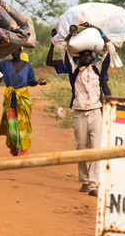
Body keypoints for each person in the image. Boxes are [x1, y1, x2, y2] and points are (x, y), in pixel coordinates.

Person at [47, 40, 112, 197]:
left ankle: (93, 185)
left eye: (89, 55)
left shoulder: (98, 70)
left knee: (96, 149)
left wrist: (102, 36)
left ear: (92, 57)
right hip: (79, 113)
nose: (86, 58)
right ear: (79, 57)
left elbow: (110, 53)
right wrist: (69, 36)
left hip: (96, 112)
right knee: (82, 148)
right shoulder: (74, 71)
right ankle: (84, 179)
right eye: (83, 55)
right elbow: (63, 50)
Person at [0, 50, 46, 156]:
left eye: (17, 50)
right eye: (12, 49)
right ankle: (14, 147)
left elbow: (30, 81)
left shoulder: (27, 66)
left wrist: (38, 82)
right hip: (10, 99)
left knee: (23, 125)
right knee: (12, 126)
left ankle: (23, 151)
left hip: (23, 99)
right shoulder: (4, 64)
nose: (14, 52)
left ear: (20, 51)